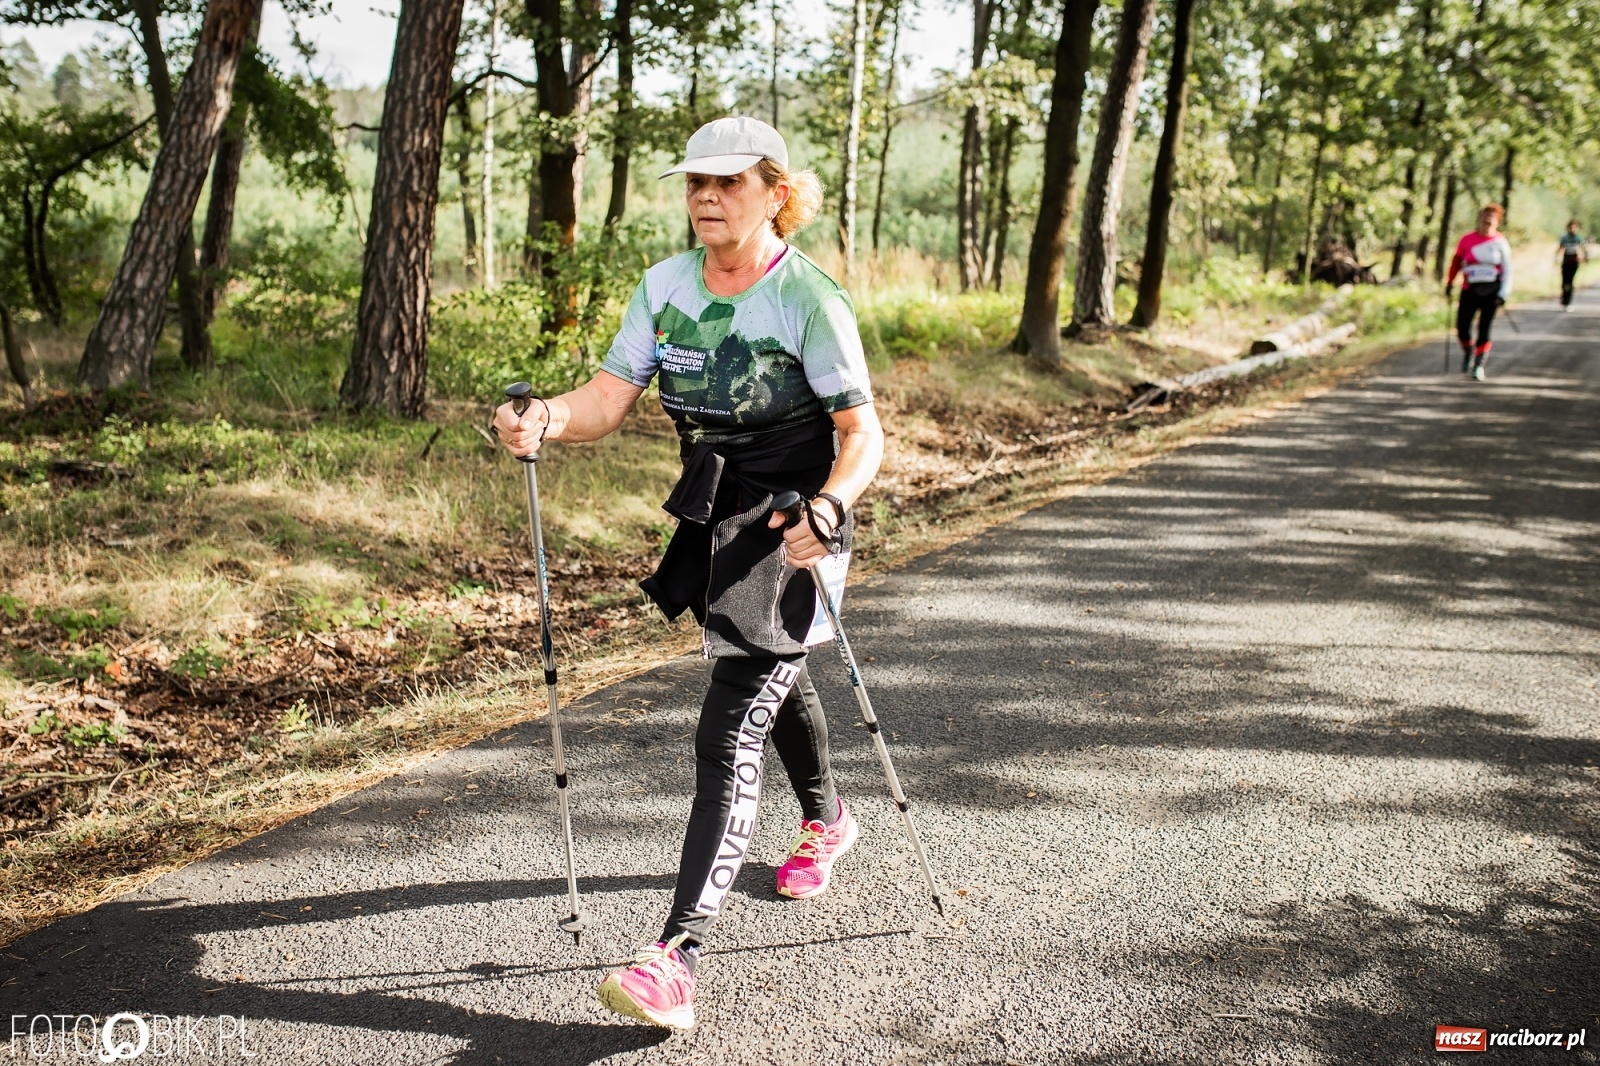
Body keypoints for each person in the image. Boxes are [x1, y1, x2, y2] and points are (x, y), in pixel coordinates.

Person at [492, 116, 883, 1030]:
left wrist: (827, 510)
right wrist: (544, 416)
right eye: (695, 185)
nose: (707, 199)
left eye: (730, 184)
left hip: (794, 520)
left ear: (775, 192)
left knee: (731, 720)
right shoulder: (666, 286)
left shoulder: (811, 298)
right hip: (715, 513)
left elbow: (862, 435)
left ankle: (676, 956)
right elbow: (606, 400)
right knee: (768, 679)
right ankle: (830, 820)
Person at [1446, 203, 1513, 381]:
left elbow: (1508, 270)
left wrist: (1503, 293)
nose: (1486, 223)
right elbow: (1456, 262)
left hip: (1491, 291)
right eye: (1484, 219)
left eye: (1490, 221)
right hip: (1470, 289)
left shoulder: (1500, 243)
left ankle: (1478, 364)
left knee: (1484, 327)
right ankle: (1469, 350)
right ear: (1479, 219)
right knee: (1462, 327)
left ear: (1497, 223)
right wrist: (1449, 282)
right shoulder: (1466, 240)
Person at [1557, 218, 1587, 311]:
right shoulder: (1564, 238)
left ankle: (1567, 302)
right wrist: (1556, 258)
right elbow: (1560, 249)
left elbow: (1584, 250)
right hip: (1566, 261)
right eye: (1571, 227)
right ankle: (1564, 298)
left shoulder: (1579, 238)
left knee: (1570, 282)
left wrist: (1585, 258)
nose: (1572, 229)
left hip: (1574, 262)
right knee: (1564, 282)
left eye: (1574, 227)